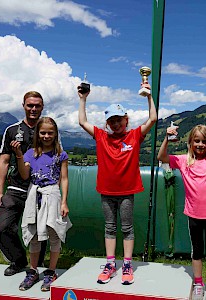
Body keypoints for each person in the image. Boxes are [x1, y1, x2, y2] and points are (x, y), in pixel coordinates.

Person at [78, 81, 157, 285]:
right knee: (110, 227)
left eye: (119, 120)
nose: (115, 124)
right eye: (111, 121)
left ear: (126, 119)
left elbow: (153, 118)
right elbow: (82, 122)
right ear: (106, 123)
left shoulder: (134, 135)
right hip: (106, 191)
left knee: (127, 228)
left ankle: (128, 264)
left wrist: (148, 96)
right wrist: (83, 99)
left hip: (127, 192)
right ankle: (111, 264)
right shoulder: (101, 136)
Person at [158, 124, 206, 300]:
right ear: (190, 142)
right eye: (196, 141)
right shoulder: (184, 160)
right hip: (193, 214)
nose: (200, 145)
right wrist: (166, 138)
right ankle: (199, 284)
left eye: (204, 141)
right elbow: (162, 157)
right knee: (197, 251)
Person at [12, 116, 71, 292]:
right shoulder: (30, 153)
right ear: (38, 133)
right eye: (43, 132)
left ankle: (51, 271)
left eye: (50, 133)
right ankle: (33, 270)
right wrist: (19, 156)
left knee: (54, 232)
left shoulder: (61, 154)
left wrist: (64, 202)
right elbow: (24, 174)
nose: (46, 136)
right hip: (34, 194)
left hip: (52, 194)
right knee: (34, 234)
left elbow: (65, 178)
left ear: (55, 134)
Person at [0, 91, 47, 276]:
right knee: (3, 227)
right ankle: (18, 260)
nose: (33, 109)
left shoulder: (49, 130)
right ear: (23, 106)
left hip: (40, 187)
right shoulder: (11, 130)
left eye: (37, 105)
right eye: (30, 105)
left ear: (42, 107)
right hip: (15, 187)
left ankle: (37, 266)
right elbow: (3, 161)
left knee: (40, 230)